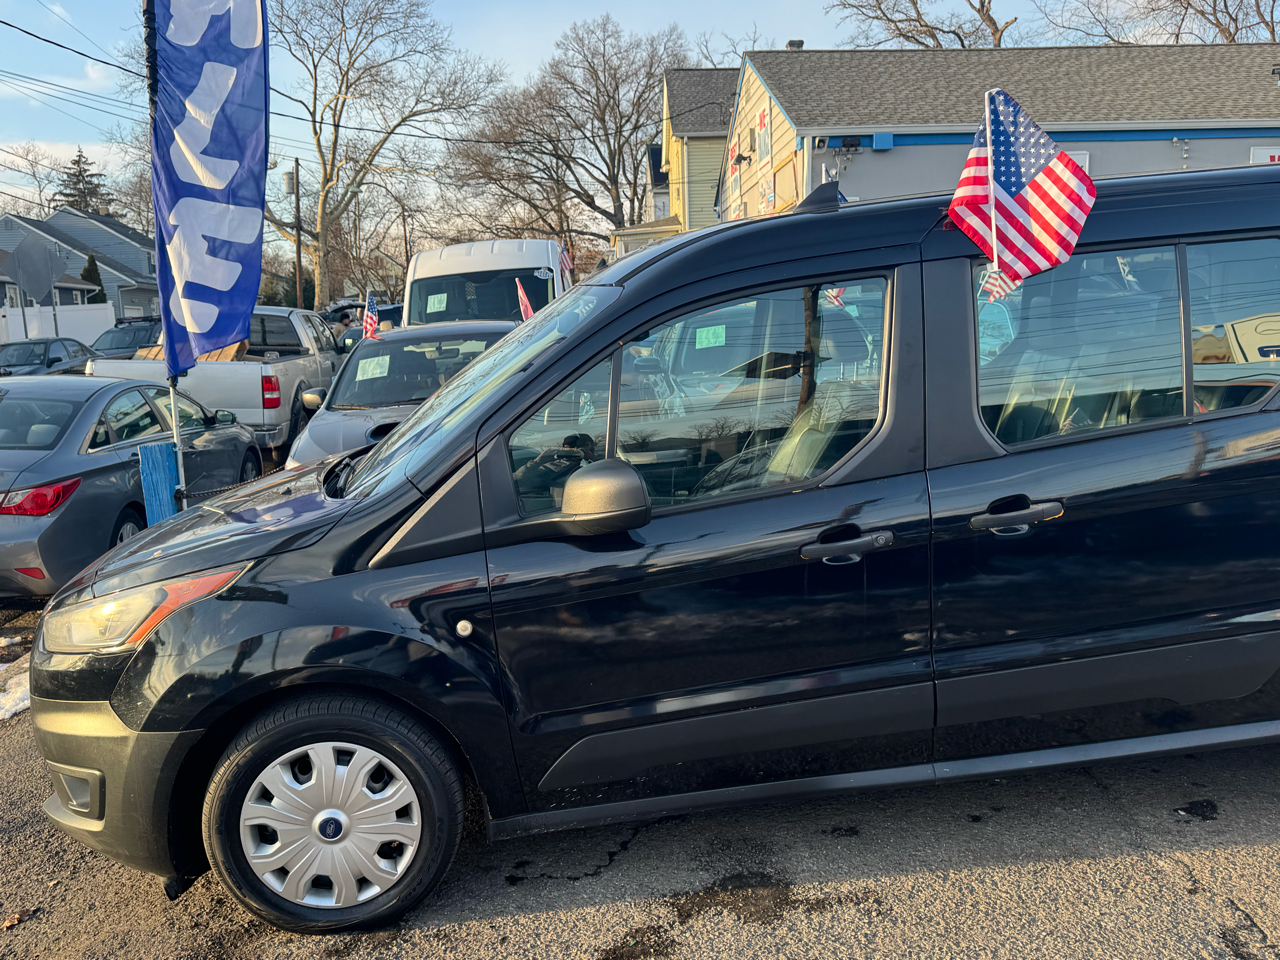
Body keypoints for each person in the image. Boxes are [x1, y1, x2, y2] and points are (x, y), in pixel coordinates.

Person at [513, 433, 597, 500]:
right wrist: (538, 461)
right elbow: (518, 479)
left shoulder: (603, 464)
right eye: (570, 447)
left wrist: (593, 461)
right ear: (563, 449)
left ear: (593, 447)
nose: (576, 449)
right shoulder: (553, 467)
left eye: (584, 445)